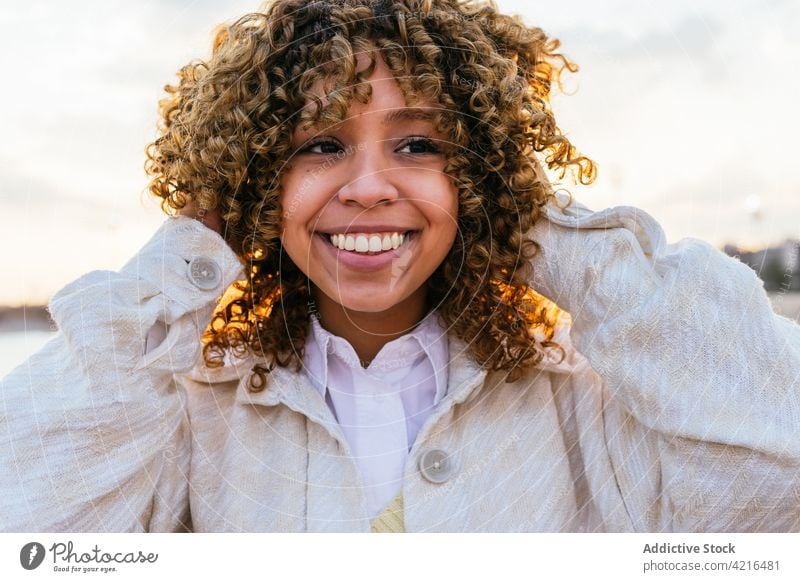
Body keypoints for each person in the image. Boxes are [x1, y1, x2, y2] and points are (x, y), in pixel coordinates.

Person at [2, 0, 799, 533]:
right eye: (318, 146)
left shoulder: (581, 403)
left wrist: (525, 218)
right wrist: (195, 249)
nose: (370, 187)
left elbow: (776, 460)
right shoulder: (187, 412)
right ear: (254, 182)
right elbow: (25, 515)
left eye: (420, 145)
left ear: (478, 172)